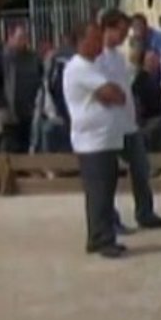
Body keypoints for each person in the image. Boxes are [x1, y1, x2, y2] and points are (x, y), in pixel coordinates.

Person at [98, 9, 161, 230]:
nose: (125, 36)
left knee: (141, 167)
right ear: (108, 29)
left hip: (128, 123)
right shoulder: (98, 57)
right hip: (109, 125)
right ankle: (109, 218)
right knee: (107, 175)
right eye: (121, 31)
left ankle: (145, 213)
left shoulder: (118, 56)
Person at [62, 23, 129, 259]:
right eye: (94, 38)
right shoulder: (80, 67)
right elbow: (113, 94)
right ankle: (101, 239)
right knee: (99, 192)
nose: (100, 42)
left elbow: (116, 94)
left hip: (103, 139)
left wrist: (114, 93)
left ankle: (100, 236)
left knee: (104, 191)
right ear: (81, 41)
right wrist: (113, 93)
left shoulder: (92, 66)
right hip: (93, 141)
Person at [0, 25, 43, 154]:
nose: (23, 41)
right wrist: (1, 105)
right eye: (20, 37)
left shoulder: (34, 59)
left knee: (26, 144)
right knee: (10, 145)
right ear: (10, 38)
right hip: (8, 110)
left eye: (25, 37)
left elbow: (40, 80)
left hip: (29, 109)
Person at [133, 50, 161, 151]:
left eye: (156, 59)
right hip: (149, 120)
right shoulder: (140, 81)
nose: (154, 62)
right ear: (144, 62)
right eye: (150, 59)